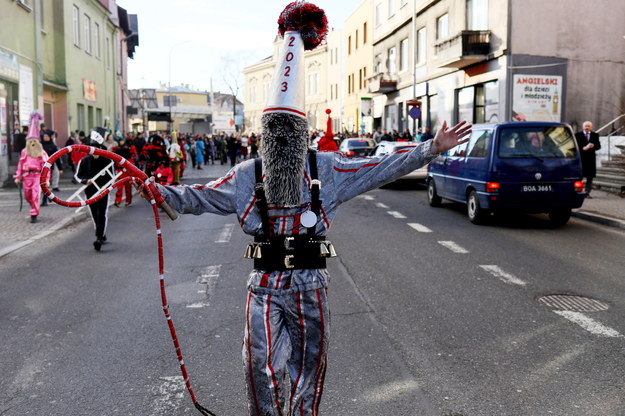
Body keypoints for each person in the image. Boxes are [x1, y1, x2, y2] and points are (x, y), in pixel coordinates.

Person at [139, 5, 471, 415]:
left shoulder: (325, 169)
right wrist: (159, 192)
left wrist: (430, 149)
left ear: (302, 135)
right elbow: (201, 196)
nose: (279, 139)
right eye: (272, 131)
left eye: (288, 131)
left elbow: (378, 168)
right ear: (262, 136)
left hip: (311, 286)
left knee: (310, 367)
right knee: (260, 367)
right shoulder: (247, 175)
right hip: (264, 286)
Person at [75, 128, 114, 251]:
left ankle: (98, 238)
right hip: (90, 191)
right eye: (92, 148)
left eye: (97, 148)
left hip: (103, 191)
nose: (94, 151)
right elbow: (78, 175)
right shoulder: (84, 161)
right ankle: (101, 233)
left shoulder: (107, 160)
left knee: (101, 213)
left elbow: (111, 177)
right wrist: (86, 181)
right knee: (94, 214)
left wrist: (106, 188)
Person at [14, 112, 50, 223]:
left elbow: (46, 167)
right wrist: (18, 176)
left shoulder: (41, 153)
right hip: (26, 177)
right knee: (27, 196)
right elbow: (20, 164)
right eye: (31, 141)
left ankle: (34, 213)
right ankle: (33, 207)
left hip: (37, 176)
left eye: (35, 141)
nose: (33, 143)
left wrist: (46, 179)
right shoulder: (24, 152)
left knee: (35, 195)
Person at [574, 121, 601, 198]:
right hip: (581, 159)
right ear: (583, 127)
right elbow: (575, 146)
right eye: (585, 126)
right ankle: (578, 191)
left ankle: (587, 192)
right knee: (579, 176)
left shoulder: (595, 135)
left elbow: (598, 146)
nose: (587, 127)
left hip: (591, 159)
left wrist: (593, 146)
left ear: (591, 127)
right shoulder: (577, 135)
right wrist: (582, 148)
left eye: (588, 126)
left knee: (590, 177)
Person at [111, 136, 138, 207]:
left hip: (127, 170)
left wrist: (128, 166)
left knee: (128, 186)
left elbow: (132, 158)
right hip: (120, 170)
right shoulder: (117, 149)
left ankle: (128, 201)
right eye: (120, 141)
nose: (121, 142)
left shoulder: (129, 148)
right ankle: (117, 200)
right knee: (119, 186)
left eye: (122, 141)